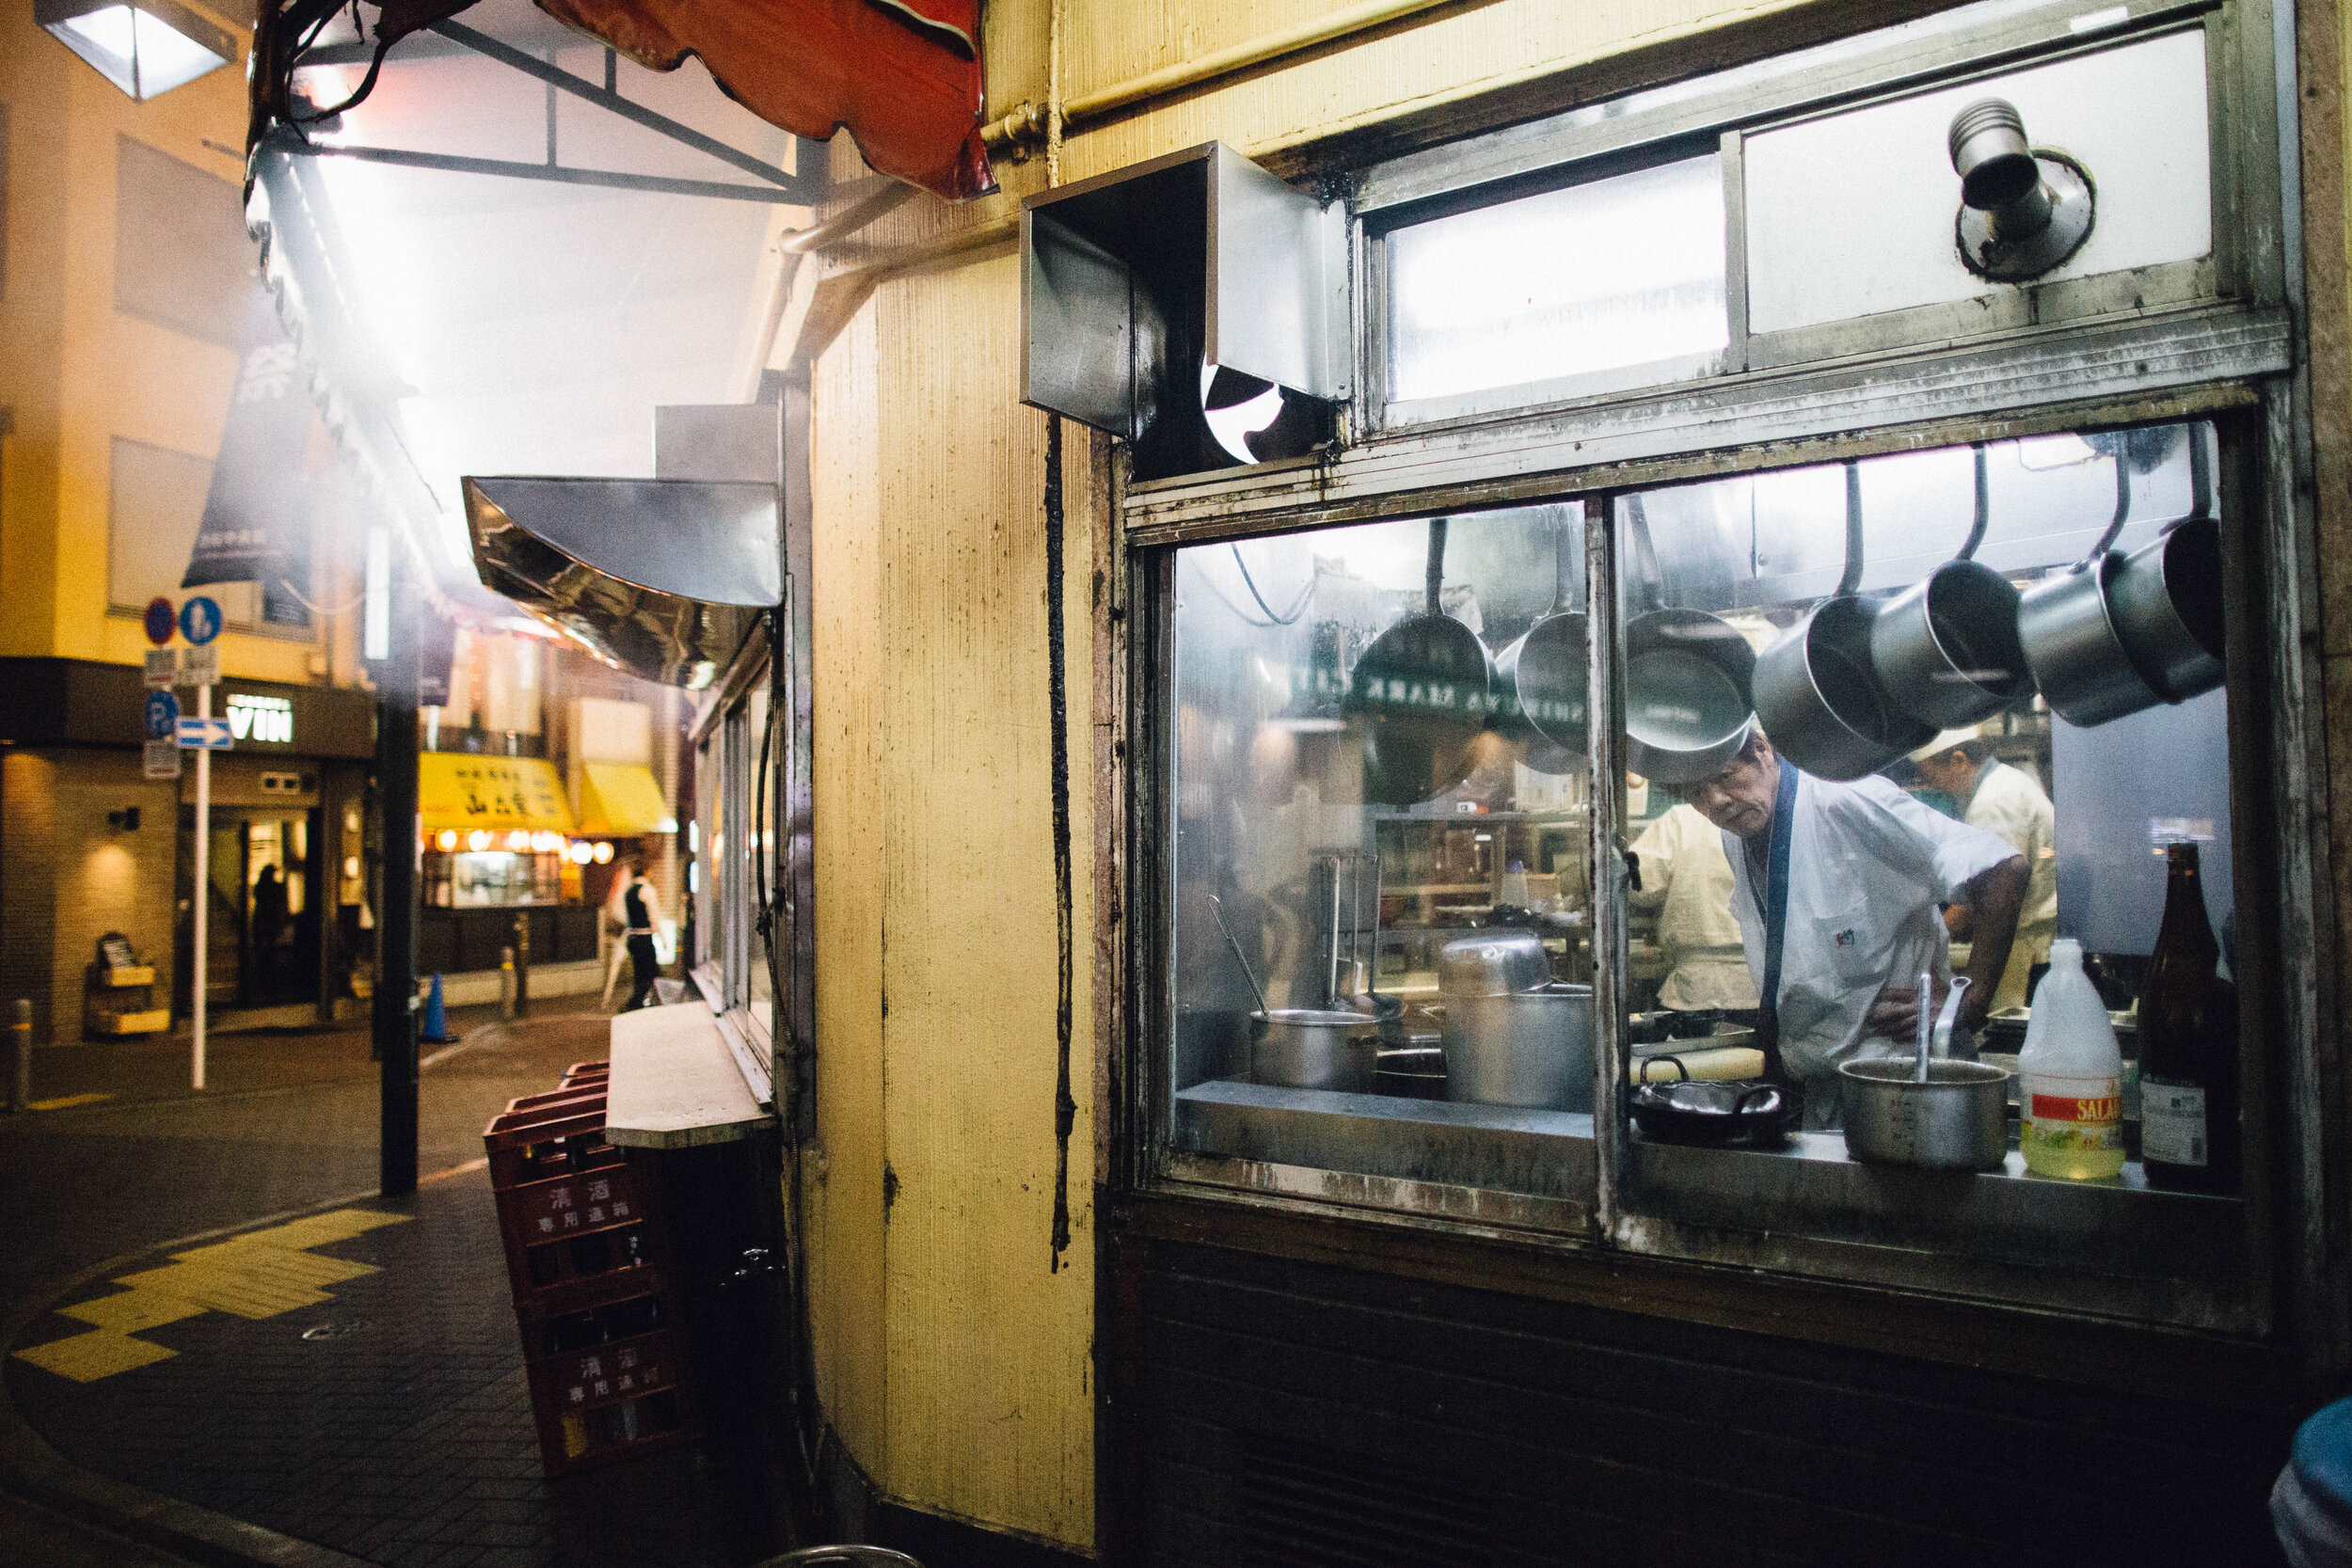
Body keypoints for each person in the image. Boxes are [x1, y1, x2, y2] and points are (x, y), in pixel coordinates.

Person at [1678, 729, 2029, 1128]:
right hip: (1826, 1090)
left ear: (1763, 749)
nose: (1716, 803)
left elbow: (2004, 869)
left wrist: (1970, 1001)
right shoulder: (1736, 833)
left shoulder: (1846, 800)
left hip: (1906, 1085)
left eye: (1725, 777)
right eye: (1696, 794)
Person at [1909, 730, 2058, 1014]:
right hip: (2027, 941)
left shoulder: (1991, 802)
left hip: (2023, 949)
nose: (1933, 786)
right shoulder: (2006, 781)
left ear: (1959, 761)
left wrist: (1927, 942)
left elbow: (1993, 894)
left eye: (1932, 776)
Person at [1627, 802, 1758, 1013]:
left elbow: (1639, 887)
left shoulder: (1682, 819)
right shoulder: (1763, 817)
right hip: (1759, 990)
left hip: (1696, 989)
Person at [615, 859, 662, 1011]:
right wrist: (662, 937)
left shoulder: (628, 891)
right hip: (644, 937)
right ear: (647, 872)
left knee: (639, 972)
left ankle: (639, 1001)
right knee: (650, 971)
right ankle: (637, 1002)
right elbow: (654, 916)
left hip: (632, 937)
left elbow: (622, 914)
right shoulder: (647, 890)